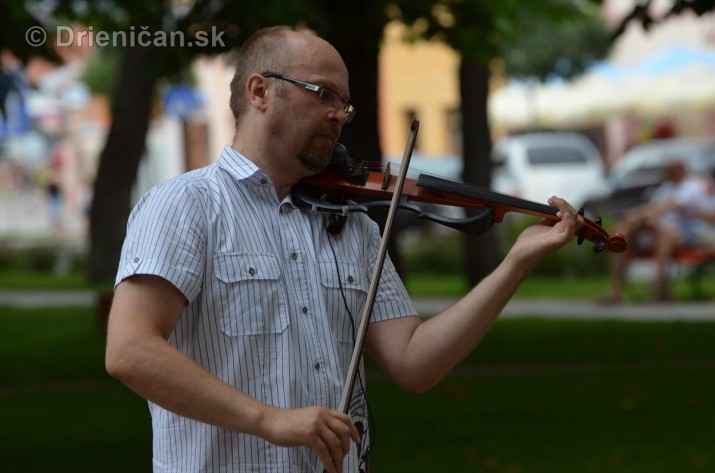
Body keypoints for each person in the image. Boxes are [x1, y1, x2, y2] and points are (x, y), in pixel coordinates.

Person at [105, 26, 581, 473]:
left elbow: (415, 363)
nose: (338, 113)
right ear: (259, 91)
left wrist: (516, 262)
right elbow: (130, 350)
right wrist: (269, 419)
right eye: (322, 94)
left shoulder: (351, 224)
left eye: (345, 103)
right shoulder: (185, 204)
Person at [604, 159, 707, 302]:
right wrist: (642, 215)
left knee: (658, 228)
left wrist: (642, 214)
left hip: (683, 232)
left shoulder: (692, 186)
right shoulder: (666, 187)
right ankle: (616, 288)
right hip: (656, 231)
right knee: (624, 234)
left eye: (670, 170)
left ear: (680, 170)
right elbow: (654, 207)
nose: (667, 173)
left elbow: (672, 204)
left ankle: (659, 282)